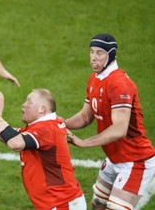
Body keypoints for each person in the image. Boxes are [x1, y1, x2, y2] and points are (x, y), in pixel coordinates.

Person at [64, 33, 155, 210]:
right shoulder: (95, 79)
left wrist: (84, 142)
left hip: (135, 160)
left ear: (111, 54)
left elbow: (119, 129)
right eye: (91, 52)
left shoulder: (119, 83)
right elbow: (85, 116)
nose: (93, 58)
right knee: (97, 204)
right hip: (114, 158)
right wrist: (61, 122)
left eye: (99, 53)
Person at [0, 89, 87, 210]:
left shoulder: (45, 129)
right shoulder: (44, 126)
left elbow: (15, 143)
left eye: (29, 102)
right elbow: (8, 136)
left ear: (42, 109)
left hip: (61, 203)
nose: (23, 104)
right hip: (56, 201)